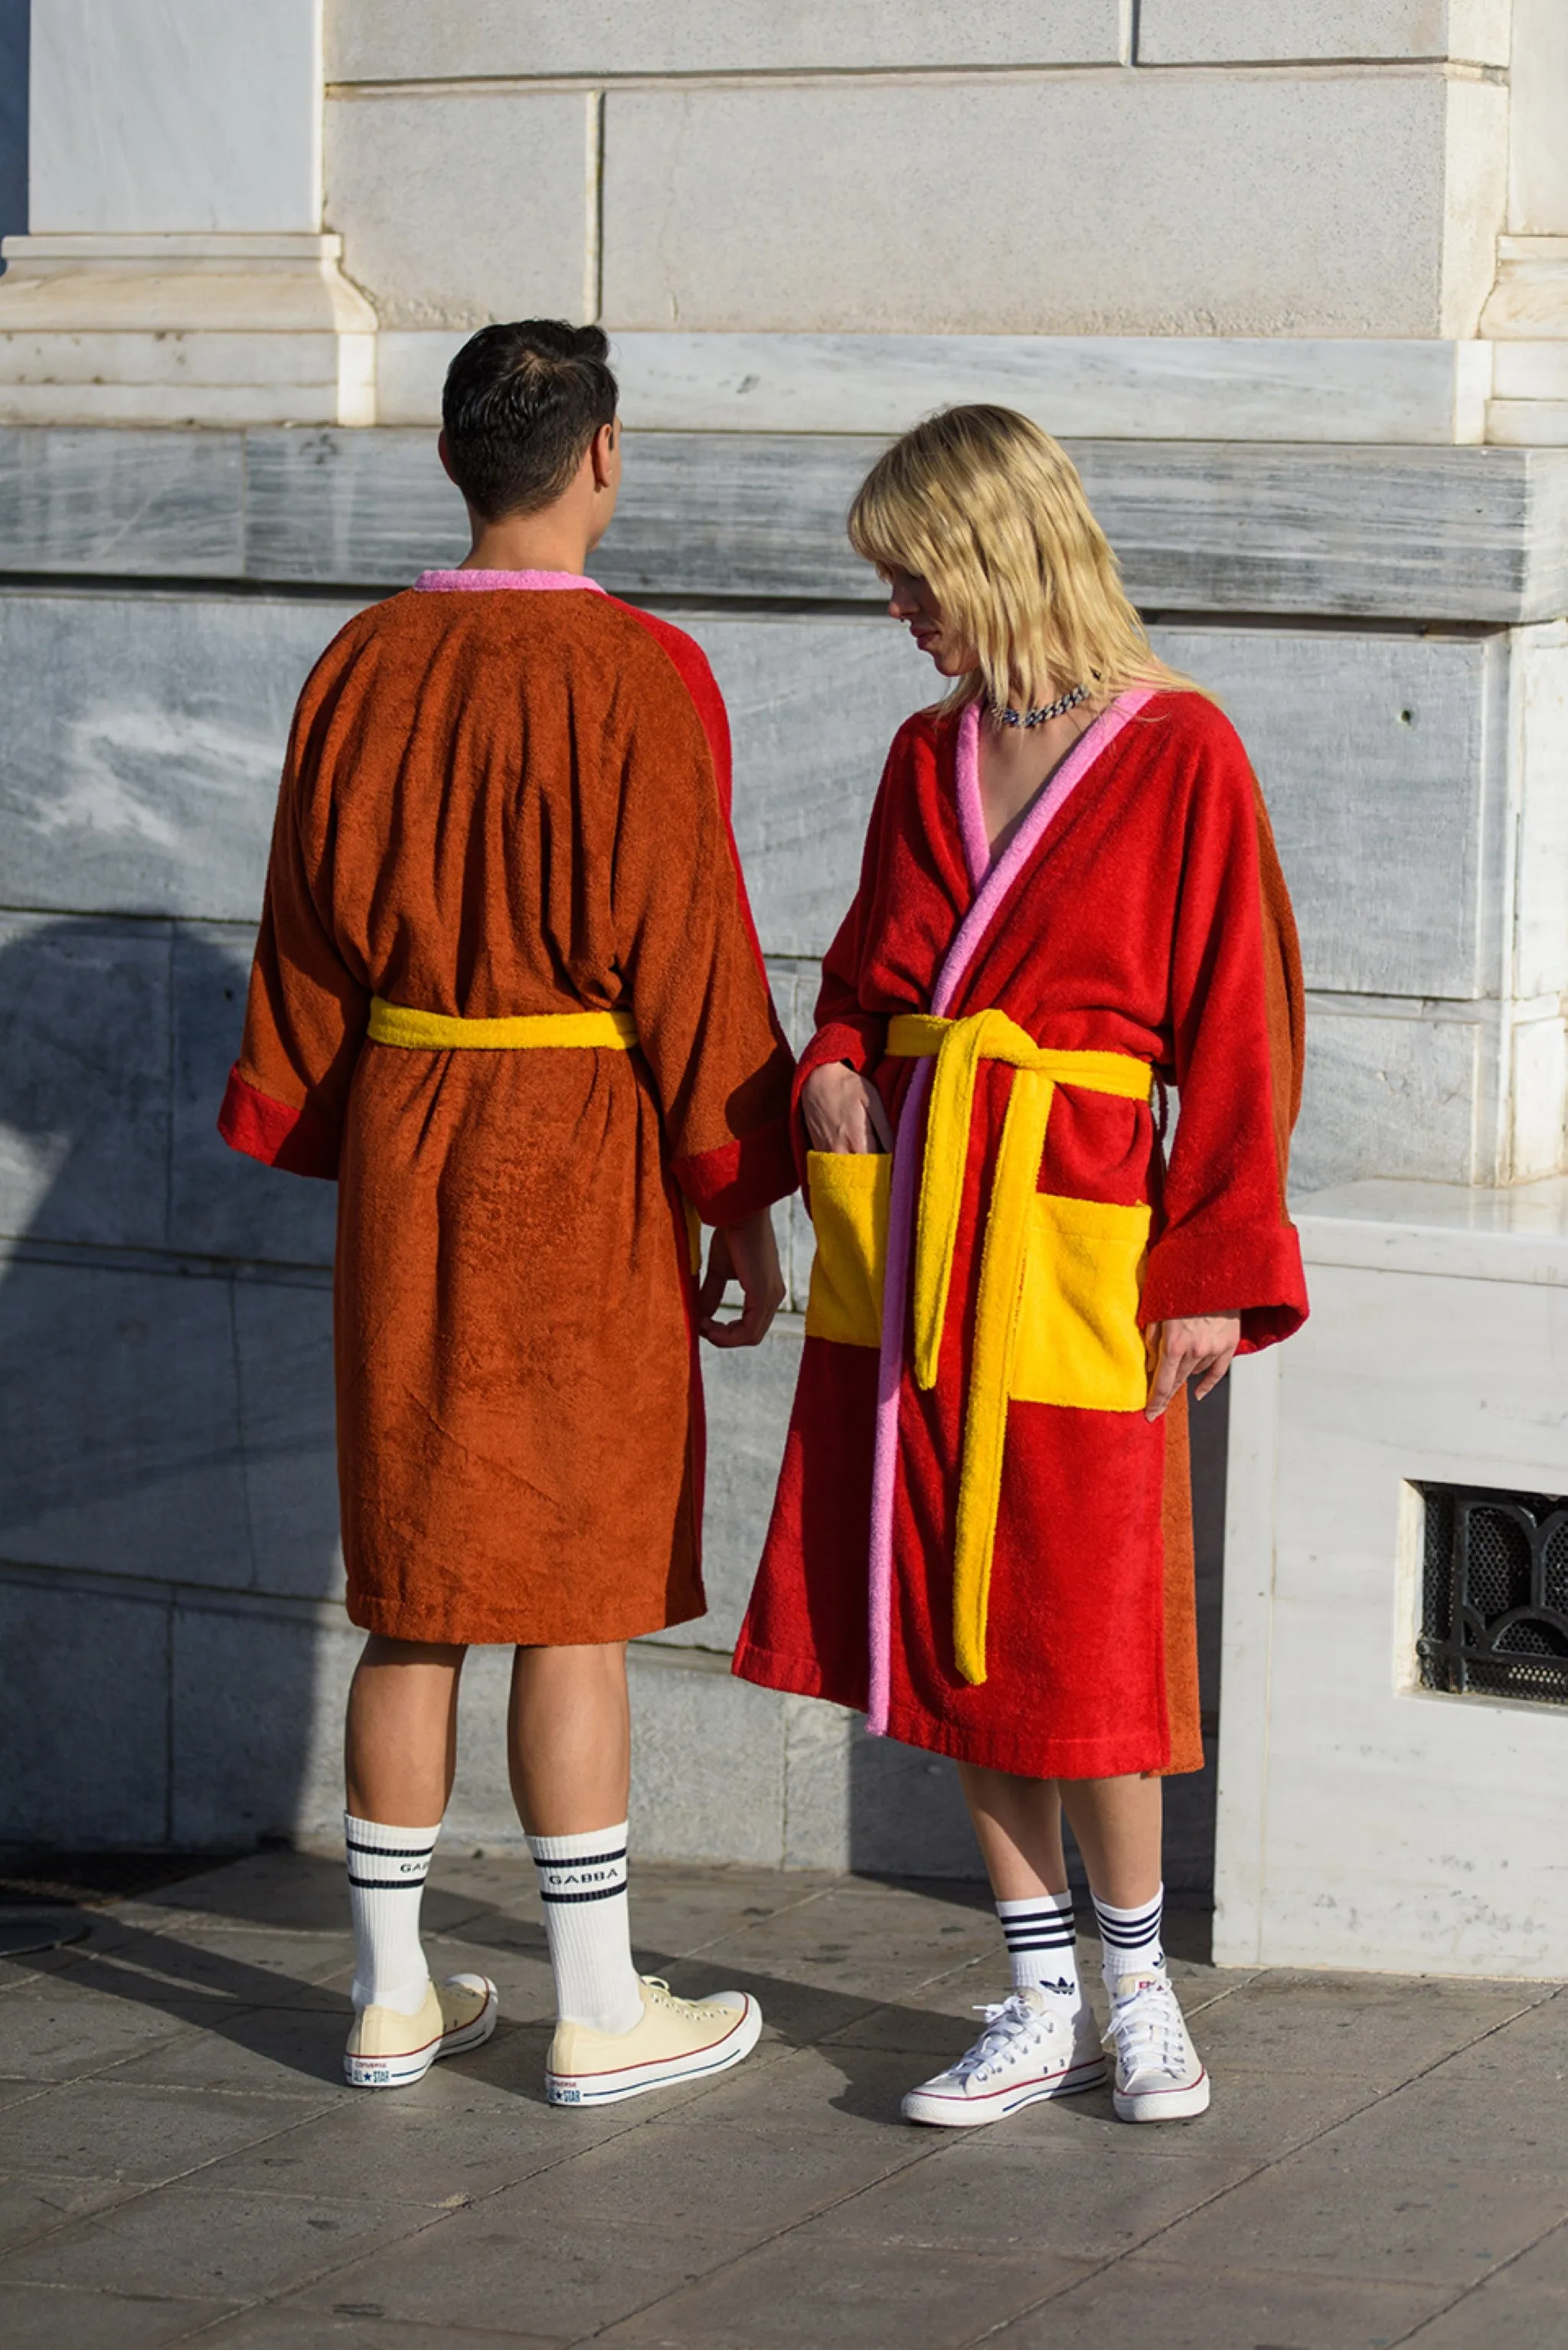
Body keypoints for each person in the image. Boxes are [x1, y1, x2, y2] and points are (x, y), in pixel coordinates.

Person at [219, 320, 795, 2107]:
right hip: (576, 1144)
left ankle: (394, 1997)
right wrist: (739, 1190)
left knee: (413, 1579)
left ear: (462, 460)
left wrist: (326, 1119)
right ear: (603, 455)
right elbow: (692, 953)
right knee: (569, 1584)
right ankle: (599, 2004)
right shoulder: (644, 675)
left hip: (409, 1134)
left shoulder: (360, 664)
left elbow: (306, 938)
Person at [733, 405, 1307, 2127]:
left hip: (1077, 1244)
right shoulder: (926, 758)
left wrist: (1208, 1268)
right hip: (920, 1234)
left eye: (914, 576)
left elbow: (1243, 1027)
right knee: (948, 1613)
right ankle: (1036, 1987)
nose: (899, 609)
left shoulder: (1181, 752)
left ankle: (1142, 1996)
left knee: (1086, 1617)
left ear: (996, 550)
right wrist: (831, 1063)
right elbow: (860, 979)